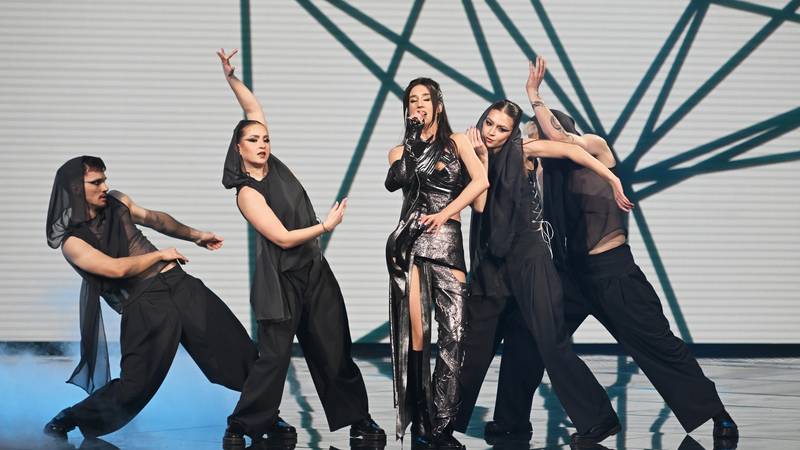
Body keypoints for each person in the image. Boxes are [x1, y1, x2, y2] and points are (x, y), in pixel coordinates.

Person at [509, 55, 737, 444]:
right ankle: (543, 421)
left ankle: (717, 414)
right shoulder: (546, 176)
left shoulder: (595, 149)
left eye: (537, 138)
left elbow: (561, 141)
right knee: (528, 335)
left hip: (613, 272)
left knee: (657, 344)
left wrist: (534, 95)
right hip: (572, 277)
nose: (535, 147)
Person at [216, 49, 386, 450]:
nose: (262, 144)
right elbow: (281, 237)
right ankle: (241, 425)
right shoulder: (246, 192)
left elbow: (252, 107)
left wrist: (231, 78)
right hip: (281, 280)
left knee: (334, 348)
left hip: (313, 271)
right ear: (238, 148)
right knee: (274, 359)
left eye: (265, 138)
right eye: (253, 140)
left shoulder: (273, 165)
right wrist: (325, 226)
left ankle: (358, 419)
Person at [454, 98, 634, 447]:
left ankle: (598, 419)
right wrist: (481, 159)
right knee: (474, 346)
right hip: (492, 265)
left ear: (512, 132)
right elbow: (479, 205)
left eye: (502, 128)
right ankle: (447, 423)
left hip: (531, 260)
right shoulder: (473, 151)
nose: (492, 132)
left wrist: (612, 178)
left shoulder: (524, 150)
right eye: (489, 123)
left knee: (549, 342)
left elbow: (573, 151)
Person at [43, 156, 258, 442]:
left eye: (104, 179)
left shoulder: (118, 202)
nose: (105, 186)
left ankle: (264, 418)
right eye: (96, 182)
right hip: (144, 304)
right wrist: (159, 255)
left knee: (240, 353)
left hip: (180, 284)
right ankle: (68, 418)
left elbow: (156, 219)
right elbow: (115, 269)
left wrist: (196, 236)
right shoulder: (72, 242)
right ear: (75, 188)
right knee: (134, 387)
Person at [385, 77, 489, 449]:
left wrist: (446, 212)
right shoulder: (399, 151)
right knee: (418, 335)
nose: (418, 105)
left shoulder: (458, 143)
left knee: (455, 335)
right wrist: (411, 141)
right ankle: (422, 421)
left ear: (438, 105)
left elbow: (481, 187)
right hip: (411, 243)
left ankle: (442, 424)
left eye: (425, 99)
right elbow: (395, 182)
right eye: (412, 100)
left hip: (446, 239)